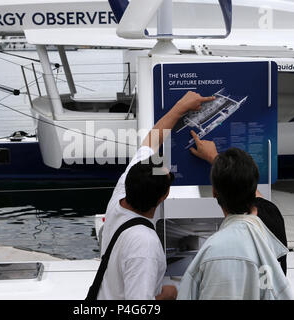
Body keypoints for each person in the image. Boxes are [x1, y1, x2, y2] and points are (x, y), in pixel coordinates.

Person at [92, 91, 216, 300]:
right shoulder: (145, 246)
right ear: (163, 197)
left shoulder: (122, 193)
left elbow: (151, 140)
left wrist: (180, 107)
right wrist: (170, 293)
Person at [178, 133, 293, 300]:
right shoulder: (272, 214)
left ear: (214, 193)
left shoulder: (214, 251)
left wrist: (216, 161)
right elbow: (250, 189)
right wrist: (214, 158)